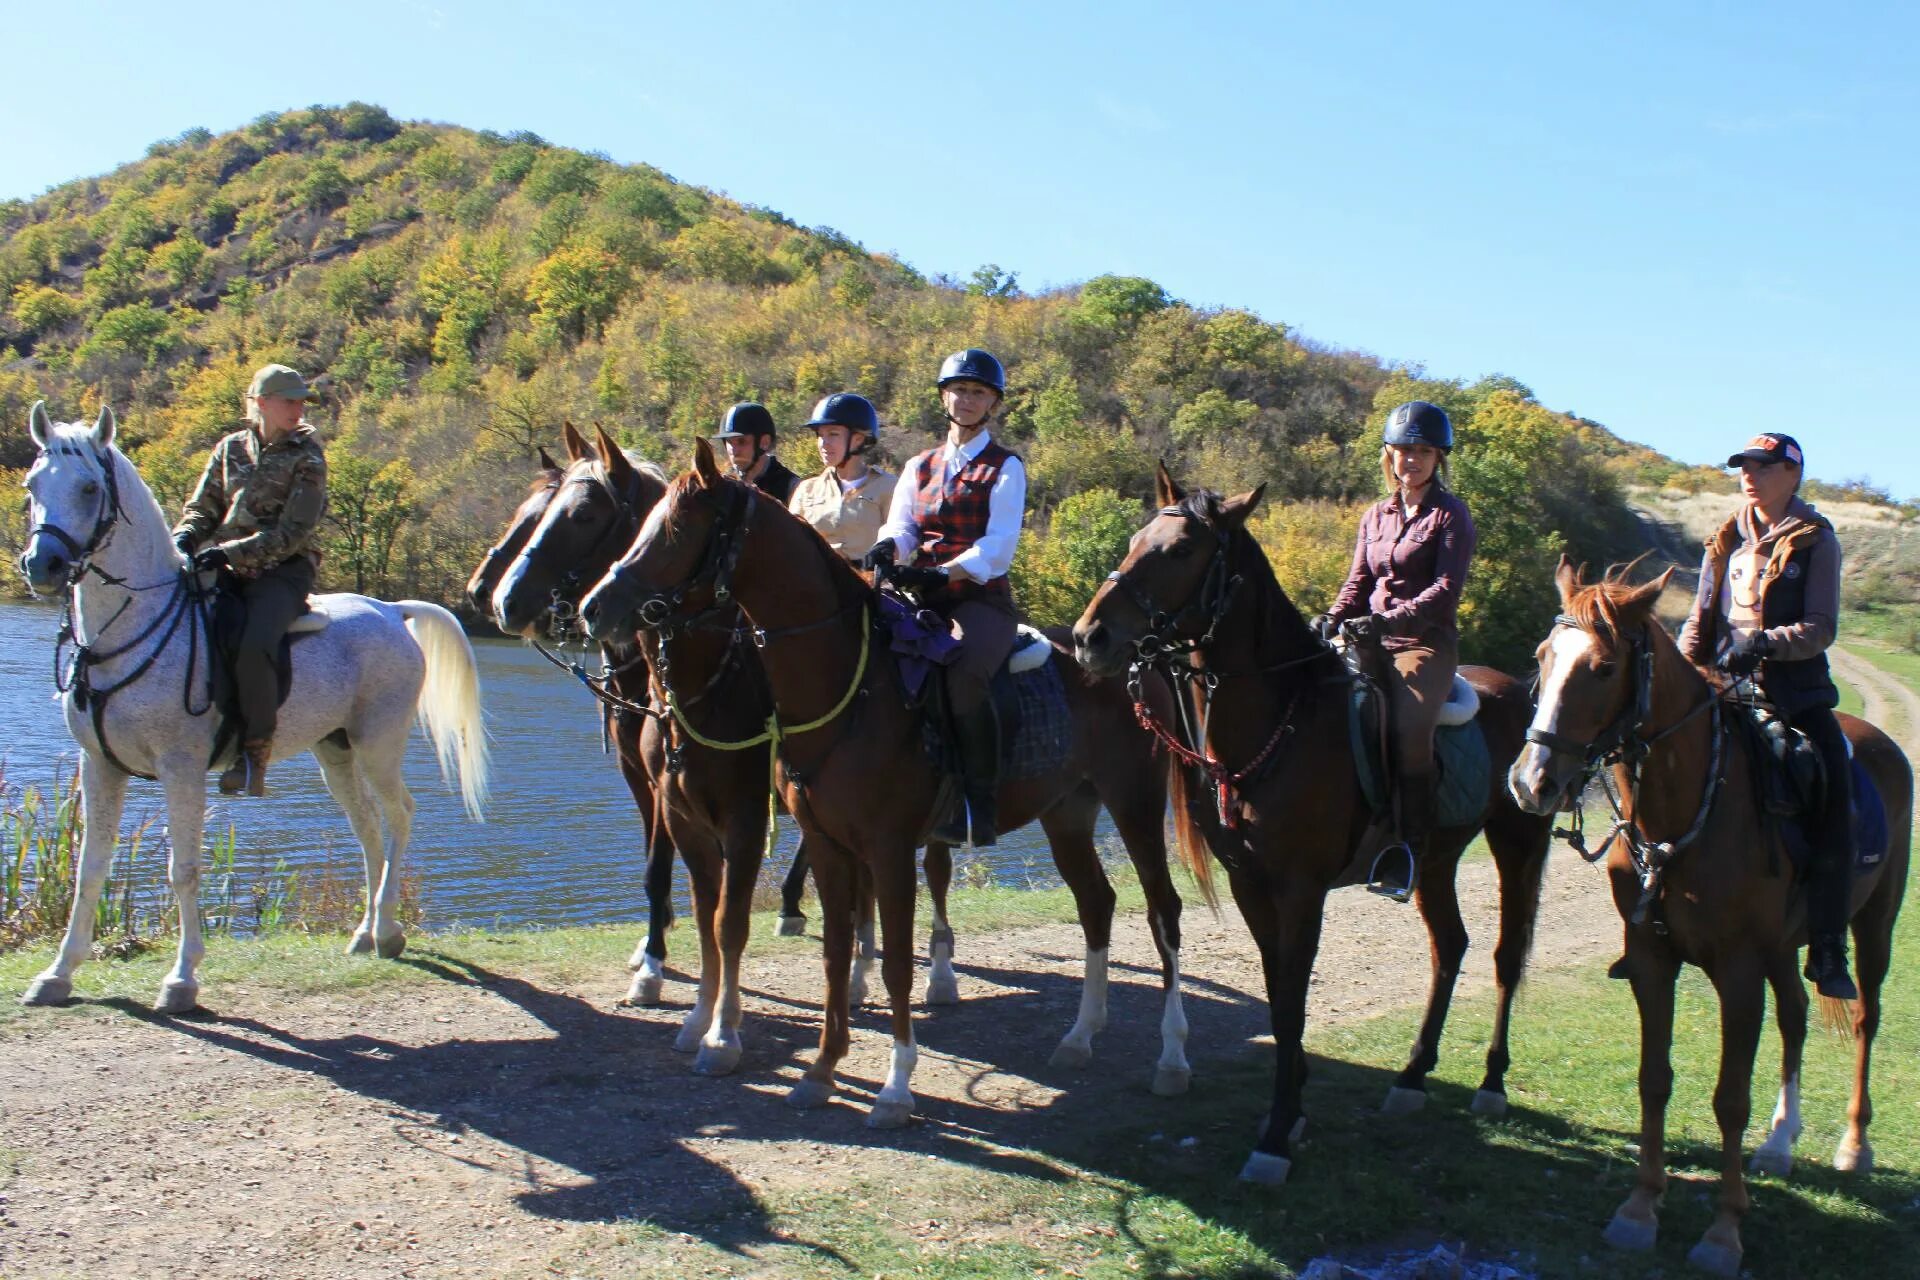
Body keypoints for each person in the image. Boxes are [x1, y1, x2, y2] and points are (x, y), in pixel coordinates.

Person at [1677, 433, 1857, 1000]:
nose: (1748, 476)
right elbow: (1700, 620)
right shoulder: (1724, 539)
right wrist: (1683, 671)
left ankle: (1828, 942)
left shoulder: (1814, 540)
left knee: (1832, 789)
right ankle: (1647, 916)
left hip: (1794, 697)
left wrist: (1765, 645)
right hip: (1723, 692)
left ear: (1791, 474)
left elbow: (1821, 627)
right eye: (1743, 467)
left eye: (1762, 466)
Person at [1314, 401, 1477, 902]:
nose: (1413, 459)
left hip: (1422, 645)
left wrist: (1385, 621)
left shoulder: (1451, 515)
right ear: (1389, 454)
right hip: (1366, 636)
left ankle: (1408, 848)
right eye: (1405, 449)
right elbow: (1358, 581)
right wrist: (1331, 618)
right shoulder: (1374, 515)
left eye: (1423, 451)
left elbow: (1445, 591)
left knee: (1406, 727)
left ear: (1438, 458)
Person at [864, 349, 1024, 846]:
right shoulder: (919, 464)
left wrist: (944, 574)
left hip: (980, 599)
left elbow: (997, 549)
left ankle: (979, 803)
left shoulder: (1006, 466)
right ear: (944, 397)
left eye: (978, 392)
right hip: (921, 593)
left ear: (992, 403)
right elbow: (904, 523)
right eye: (959, 390)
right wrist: (891, 545)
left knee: (964, 674)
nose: (967, 399)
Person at [173, 363, 330, 797]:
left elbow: (293, 532)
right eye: (290, 400)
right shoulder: (229, 448)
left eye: (301, 402)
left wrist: (227, 552)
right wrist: (185, 538)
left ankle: (254, 753)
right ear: (261, 402)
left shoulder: (308, 457)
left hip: (283, 570)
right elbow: (202, 508)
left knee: (254, 642)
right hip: (223, 566)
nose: (298, 408)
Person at [788, 392, 897, 561]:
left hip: (868, 582)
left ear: (858, 440)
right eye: (820, 435)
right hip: (814, 582)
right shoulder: (807, 490)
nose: (824, 443)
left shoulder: (889, 487)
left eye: (833, 434)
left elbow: (901, 543)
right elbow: (790, 543)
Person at [711, 401, 798, 505]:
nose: (734, 450)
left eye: (741, 441)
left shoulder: (791, 488)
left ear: (764, 442)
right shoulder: (723, 485)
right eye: (729, 441)